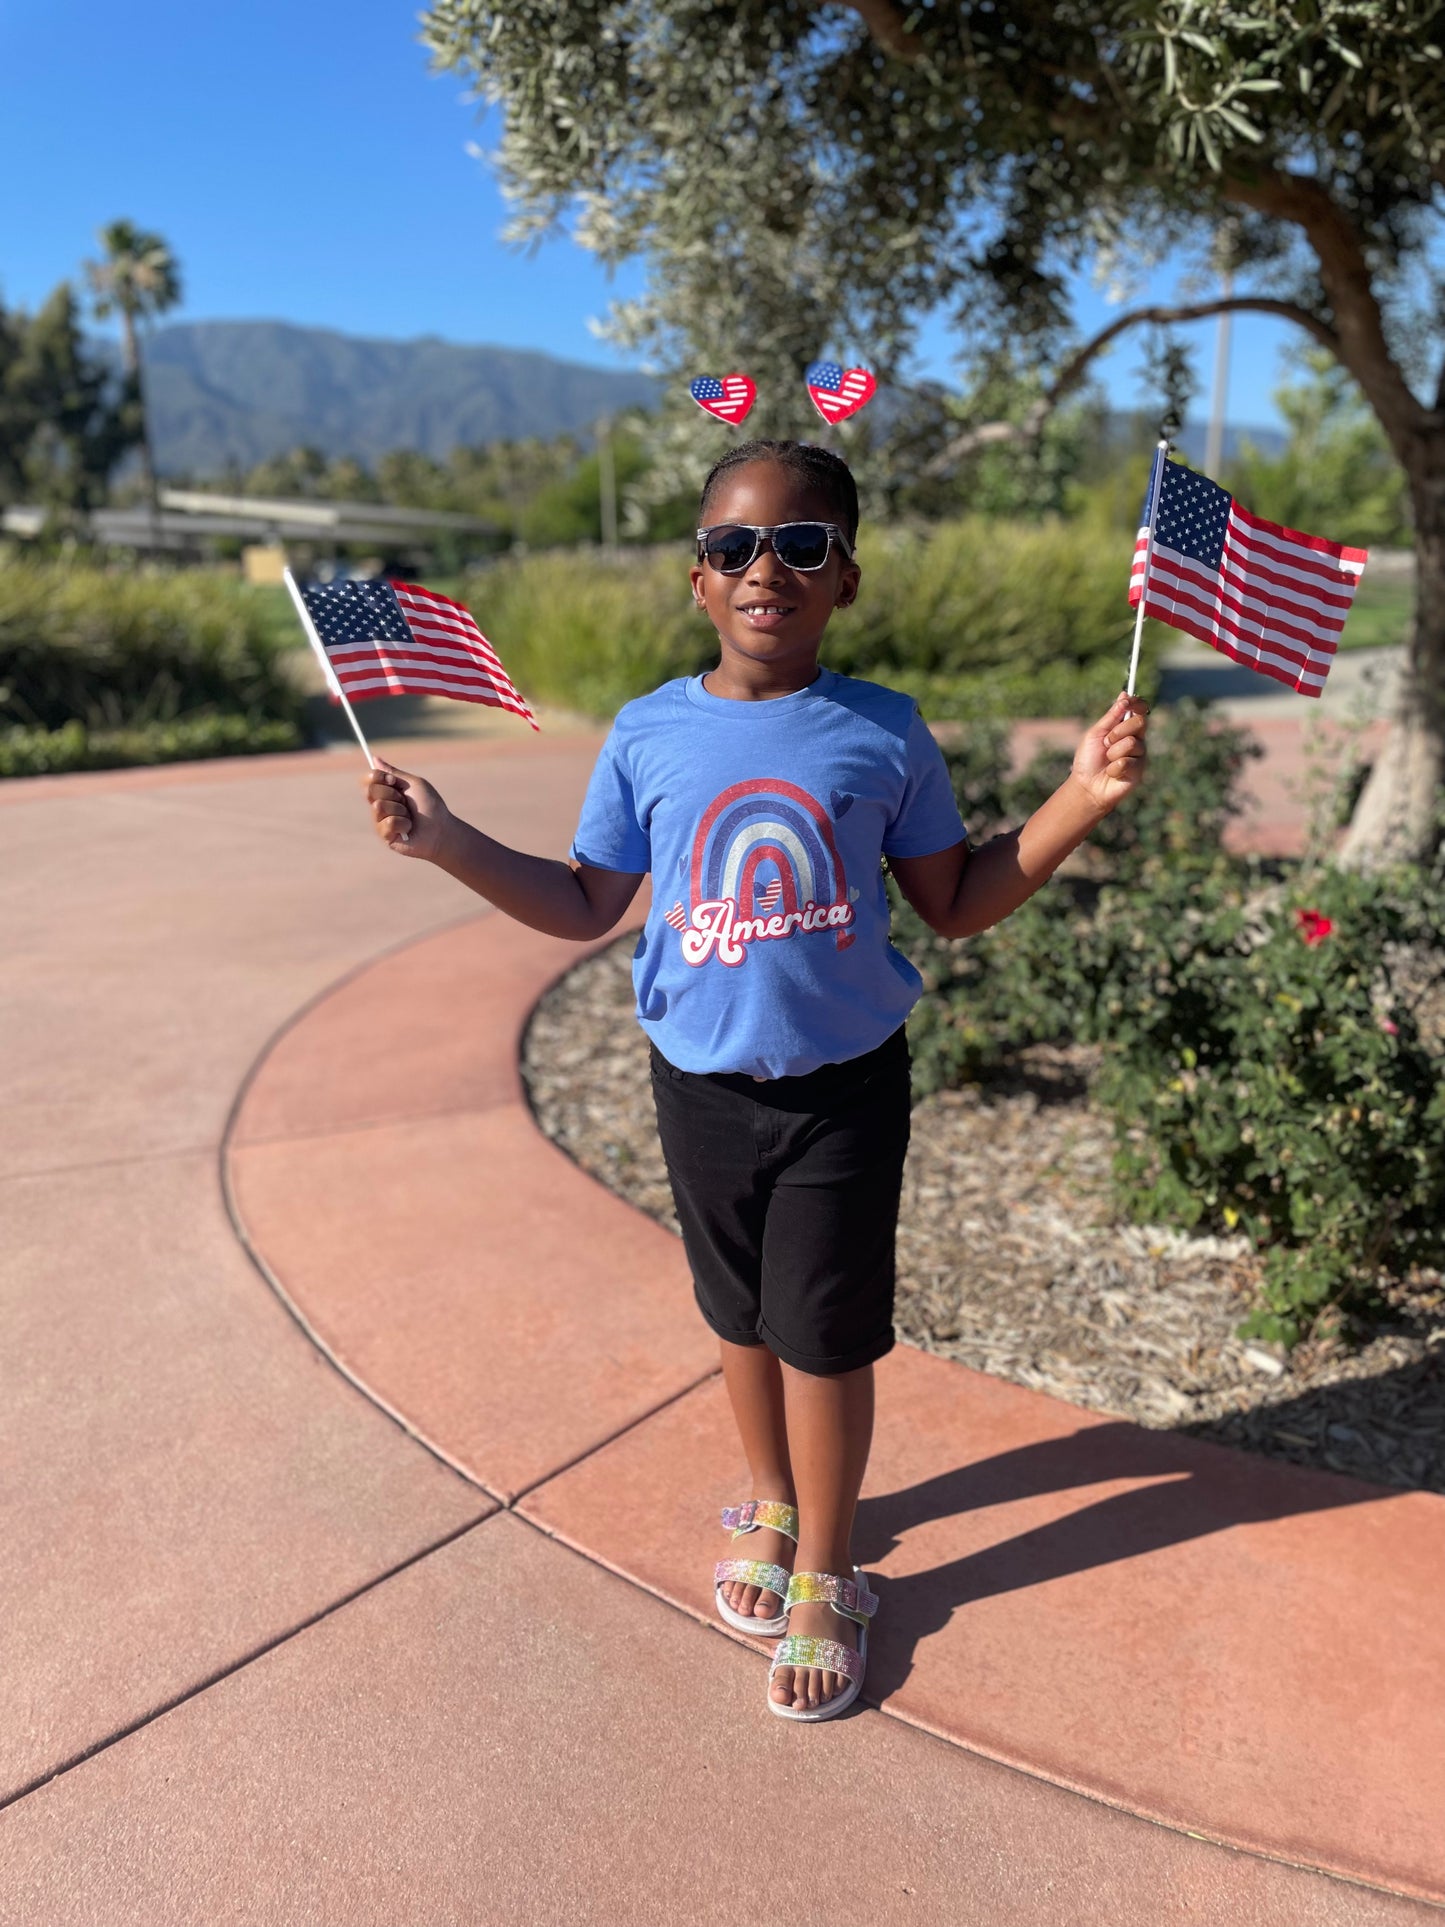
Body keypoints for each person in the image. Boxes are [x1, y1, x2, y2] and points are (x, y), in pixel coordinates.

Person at [363, 438, 1148, 1722]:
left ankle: (830, 1571)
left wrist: (1075, 798)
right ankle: (774, 1501)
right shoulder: (647, 732)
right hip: (699, 1087)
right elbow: (580, 902)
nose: (762, 570)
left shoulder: (882, 730)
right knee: (736, 1318)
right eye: (732, 547)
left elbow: (951, 904)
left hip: (842, 1086)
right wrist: (445, 840)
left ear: (845, 577)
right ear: (696, 578)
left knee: (824, 1336)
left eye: (798, 546)